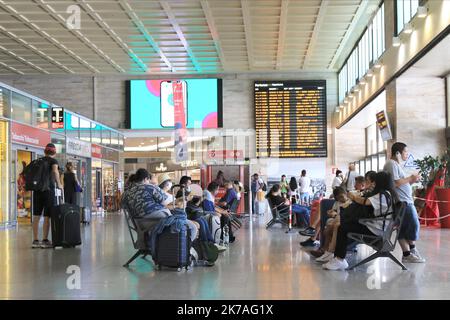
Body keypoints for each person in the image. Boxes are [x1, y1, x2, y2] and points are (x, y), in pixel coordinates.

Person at [323, 172, 396, 271]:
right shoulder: (388, 194)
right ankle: (338, 258)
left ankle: (339, 259)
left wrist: (353, 197)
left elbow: (365, 202)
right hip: (377, 227)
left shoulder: (383, 195)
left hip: (375, 230)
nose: (374, 184)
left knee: (343, 227)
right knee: (343, 224)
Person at [383, 142, 425, 263]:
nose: (407, 154)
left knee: (405, 227)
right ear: (397, 153)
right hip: (402, 202)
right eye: (405, 152)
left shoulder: (396, 164)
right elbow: (395, 183)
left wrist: (412, 181)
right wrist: (410, 178)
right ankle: (409, 252)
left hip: (405, 201)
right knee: (412, 225)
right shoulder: (391, 164)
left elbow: (401, 184)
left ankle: (409, 252)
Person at [32, 143, 63, 249]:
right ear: (54, 152)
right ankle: (45, 240)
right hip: (48, 191)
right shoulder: (53, 161)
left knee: (36, 215)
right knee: (47, 216)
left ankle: (35, 240)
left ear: (45, 151)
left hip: (37, 191)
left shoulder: (38, 161)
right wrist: (59, 184)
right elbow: (55, 171)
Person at [310, 187, 352, 262]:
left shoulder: (350, 202)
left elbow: (347, 215)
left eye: (342, 196)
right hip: (336, 220)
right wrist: (331, 213)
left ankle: (325, 251)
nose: (341, 199)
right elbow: (334, 212)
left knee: (328, 229)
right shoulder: (337, 203)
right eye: (339, 198)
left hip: (343, 220)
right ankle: (327, 252)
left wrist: (336, 215)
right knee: (329, 226)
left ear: (346, 194)